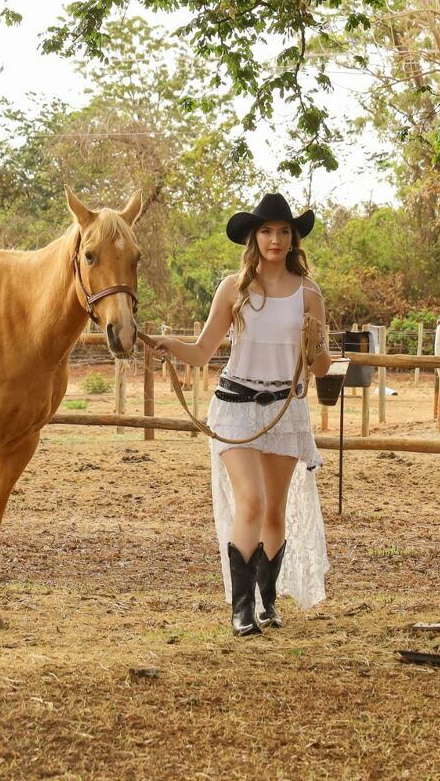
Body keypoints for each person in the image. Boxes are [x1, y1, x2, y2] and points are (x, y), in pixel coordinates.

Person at [142, 193, 333, 637]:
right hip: (235, 407)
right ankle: (240, 608)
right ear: (254, 237)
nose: (275, 239)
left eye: (284, 231)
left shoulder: (310, 295)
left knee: (274, 514)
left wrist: (315, 345)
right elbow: (203, 351)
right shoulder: (234, 288)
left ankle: (267, 602)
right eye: (267, 231)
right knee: (251, 501)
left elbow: (320, 366)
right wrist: (170, 344)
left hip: (285, 408)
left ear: (293, 239)